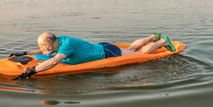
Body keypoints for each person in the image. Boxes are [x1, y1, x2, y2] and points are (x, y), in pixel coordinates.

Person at [14, 32, 175, 79]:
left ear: (49, 45)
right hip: (102, 47)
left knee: (138, 54)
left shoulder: (65, 47)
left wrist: (32, 71)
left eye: (42, 48)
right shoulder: (57, 40)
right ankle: (152, 37)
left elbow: (55, 60)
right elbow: (45, 52)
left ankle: (161, 42)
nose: (41, 50)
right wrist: (26, 54)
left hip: (106, 52)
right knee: (132, 48)